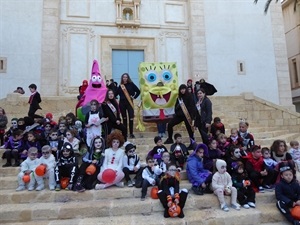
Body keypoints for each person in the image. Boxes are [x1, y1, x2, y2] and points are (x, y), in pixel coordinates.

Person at [164, 84, 196, 149]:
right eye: (181, 89)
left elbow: (192, 107)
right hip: (180, 115)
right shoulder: (179, 98)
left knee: (190, 130)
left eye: (184, 89)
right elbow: (176, 107)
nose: (182, 91)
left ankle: (192, 144)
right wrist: (178, 111)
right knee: (170, 124)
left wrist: (192, 117)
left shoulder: (190, 96)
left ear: (186, 89)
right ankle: (170, 139)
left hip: (188, 116)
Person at [116, 73, 140, 138]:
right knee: (124, 119)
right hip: (122, 104)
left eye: (126, 77)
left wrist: (134, 97)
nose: (125, 78)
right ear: (122, 78)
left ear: (128, 78)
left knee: (131, 118)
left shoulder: (131, 84)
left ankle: (131, 133)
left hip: (129, 103)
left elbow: (138, 91)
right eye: (123, 77)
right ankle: (125, 133)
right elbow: (115, 94)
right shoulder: (120, 86)